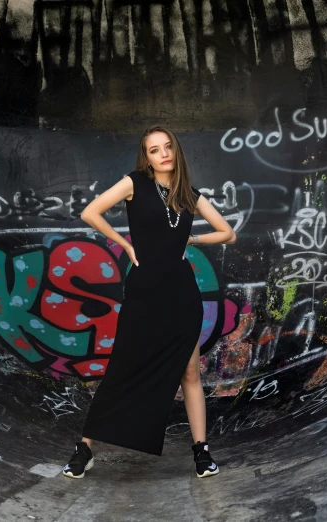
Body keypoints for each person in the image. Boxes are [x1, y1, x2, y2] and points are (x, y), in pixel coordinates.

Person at [62, 124, 237, 479]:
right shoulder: (134, 183)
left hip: (182, 293)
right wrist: (125, 244)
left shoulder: (190, 194)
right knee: (122, 366)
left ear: (176, 150)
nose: (163, 154)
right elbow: (90, 213)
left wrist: (193, 242)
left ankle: (201, 452)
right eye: (154, 149)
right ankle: (85, 449)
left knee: (189, 370)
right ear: (147, 156)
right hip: (143, 291)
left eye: (167, 147)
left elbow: (228, 233)